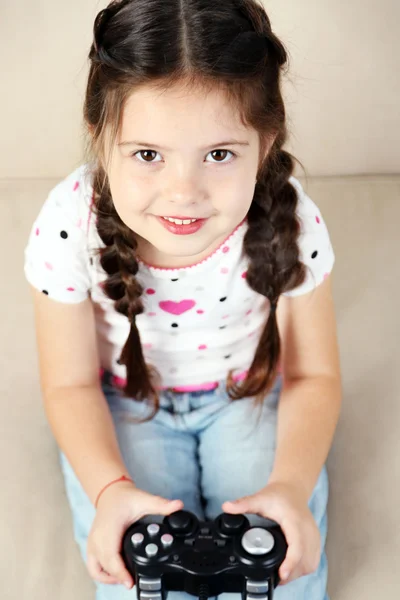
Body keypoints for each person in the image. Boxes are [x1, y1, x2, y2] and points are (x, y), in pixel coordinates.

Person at [23, 0, 342, 599]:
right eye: (148, 155)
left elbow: (314, 373)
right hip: (124, 404)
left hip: (245, 395)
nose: (183, 192)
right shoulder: (68, 223)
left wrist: (292, 487)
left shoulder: (291, 219)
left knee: (278, 570)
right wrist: (110, 488)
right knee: (136, 577)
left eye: (219, 155)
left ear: (266, 143)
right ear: (101, 137)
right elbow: (67, 384)